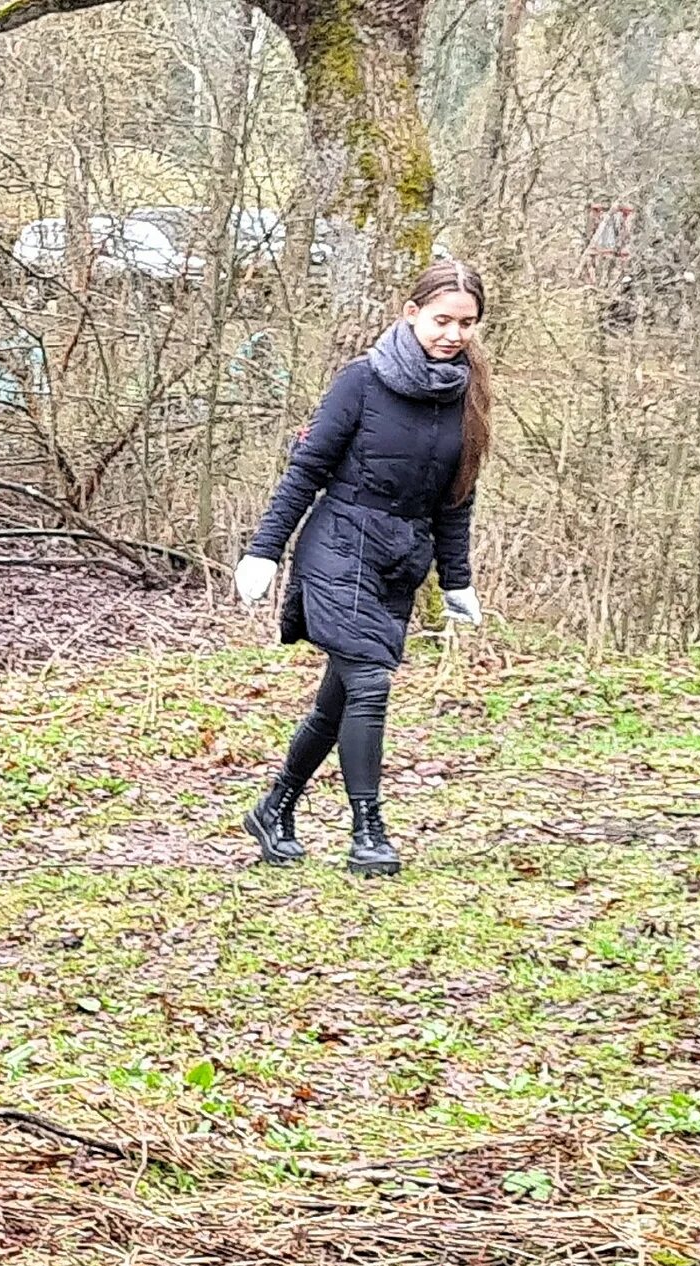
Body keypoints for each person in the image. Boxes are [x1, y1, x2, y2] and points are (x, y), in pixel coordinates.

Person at [234, 261, 491, 877]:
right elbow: (306, 470)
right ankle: (367, 830)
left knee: (339, 699)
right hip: (339, 544)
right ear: (411, 314)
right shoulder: (362, 382)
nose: (453, 334)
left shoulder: (468, 396)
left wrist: (456, 580)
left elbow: (458, 497)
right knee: (370, 684)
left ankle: (275, 807)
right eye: (441, 320)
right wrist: (264, 550)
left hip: (400, 560)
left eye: (467, 324)